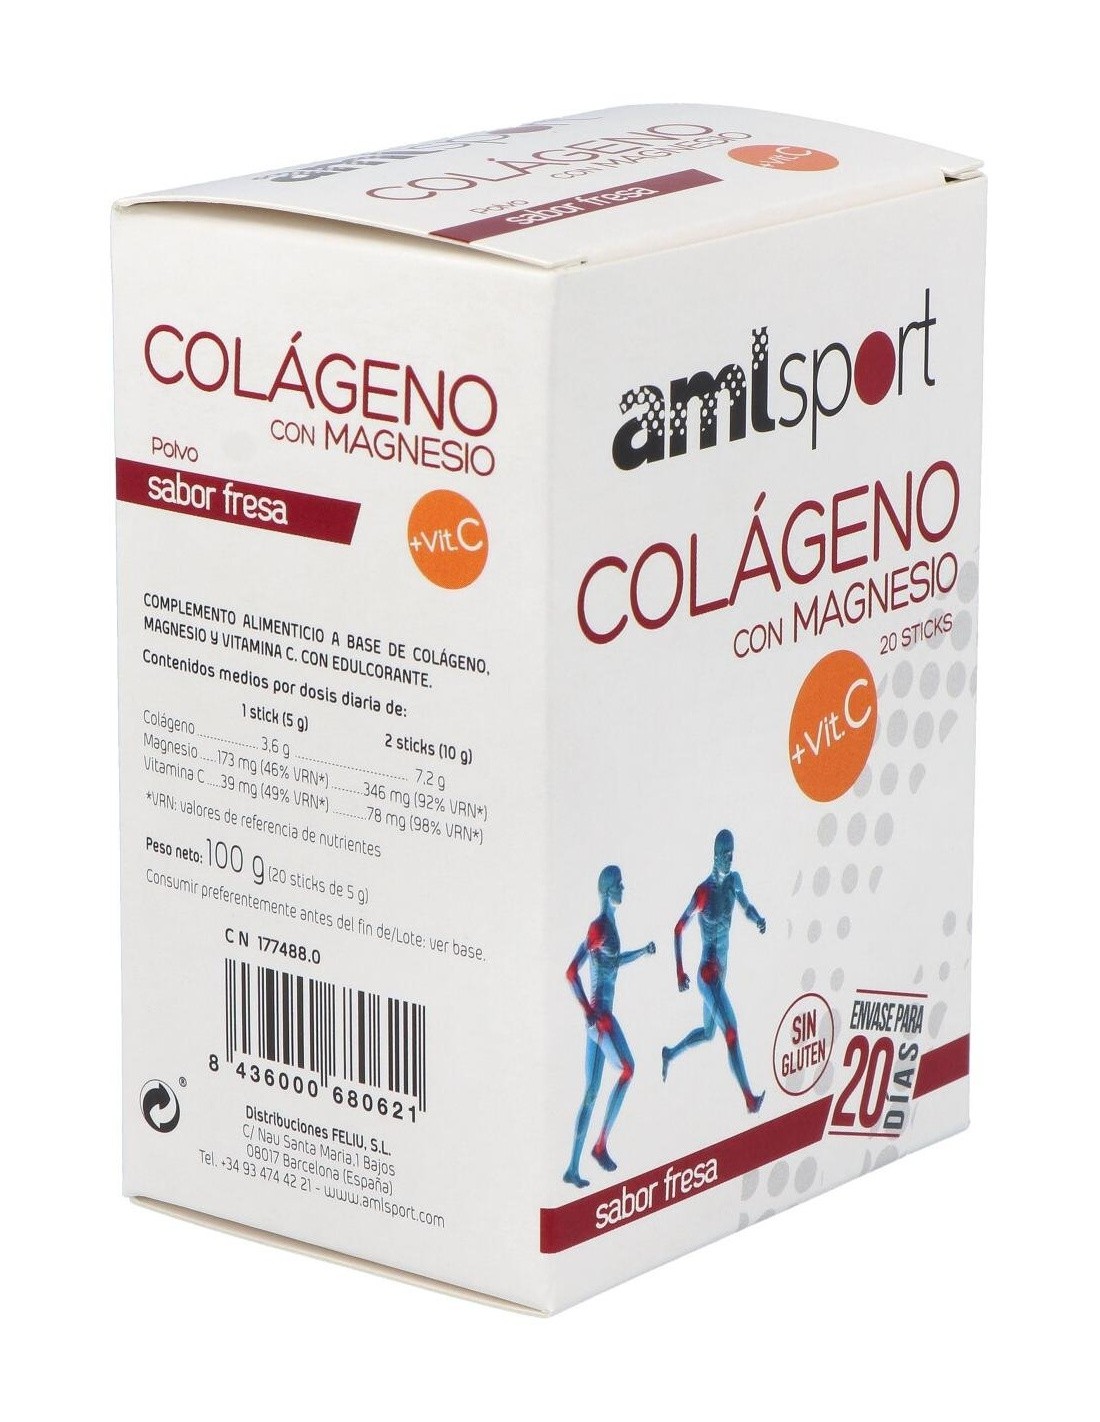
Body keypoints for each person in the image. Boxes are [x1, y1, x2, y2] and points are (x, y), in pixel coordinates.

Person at [662, 829, 766, 1114]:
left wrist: (758, 918)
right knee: (730, 1031)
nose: (729, 859)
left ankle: (670, 1053)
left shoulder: (734, 881)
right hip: (708, 974)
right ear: (715, 855)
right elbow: (678, 929)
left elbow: (746, 905)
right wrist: (679, 972)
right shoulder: (703, 893)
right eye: (724, 854)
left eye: (732, 853)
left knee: (708, 1033)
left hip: (722, 972)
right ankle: (749, 1098)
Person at [564, 865, 656, 1189]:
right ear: (606, 890)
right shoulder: (599, 927)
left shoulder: (608, 927)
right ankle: (600, 1145)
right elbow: (571, 972)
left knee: (591, 1093)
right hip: (601, 1018)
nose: (623, 888)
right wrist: (588, 1011)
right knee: (628, 1069)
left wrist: (642, 953)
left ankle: (572, 1169)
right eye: (618, 884)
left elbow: (613, 961)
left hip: (598, 1022)